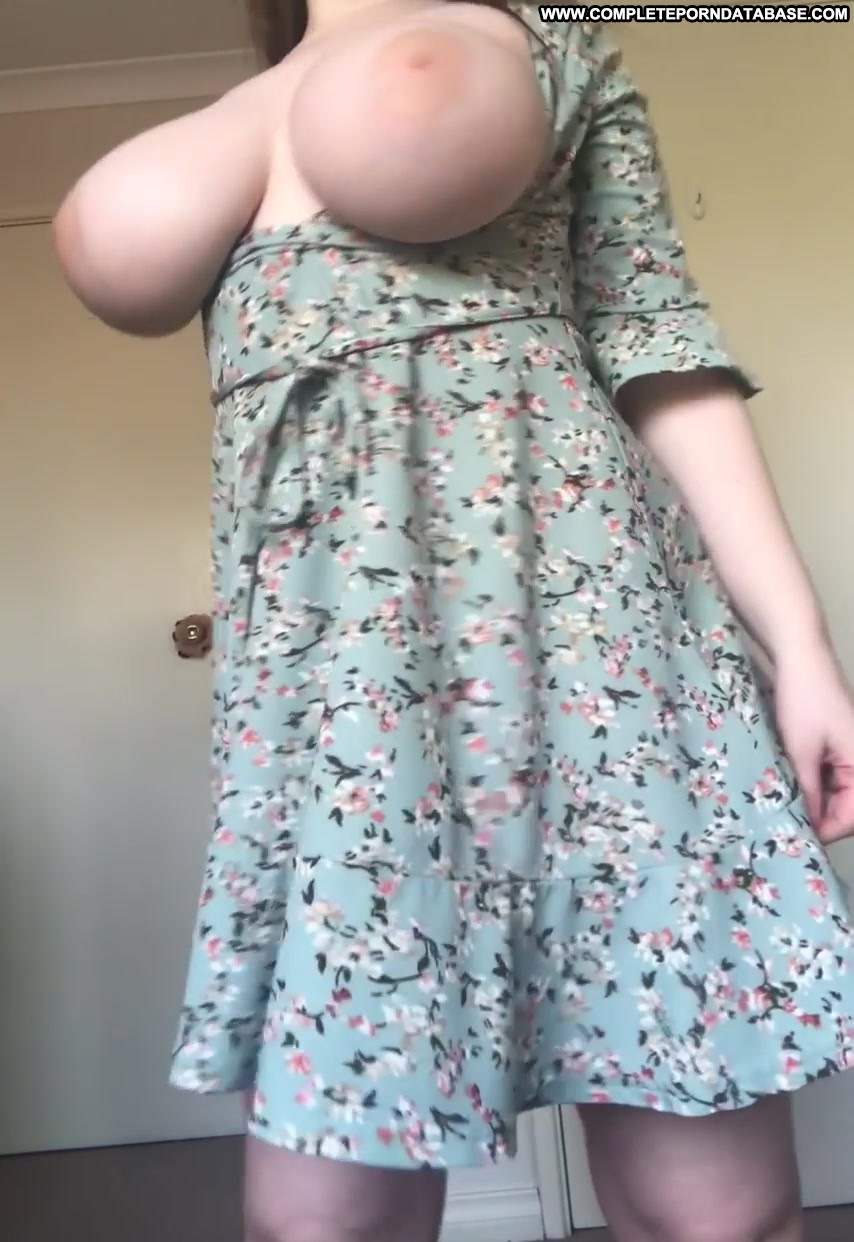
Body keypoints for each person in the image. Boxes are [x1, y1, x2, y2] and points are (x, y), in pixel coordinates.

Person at [53, 2, 854, 1240]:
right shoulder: (225, 115)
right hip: (340, 706)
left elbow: (658, 345)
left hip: (597, 657)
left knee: (712, 1211)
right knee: (318, 1222)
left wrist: (799, 647)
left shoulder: (545, 52)